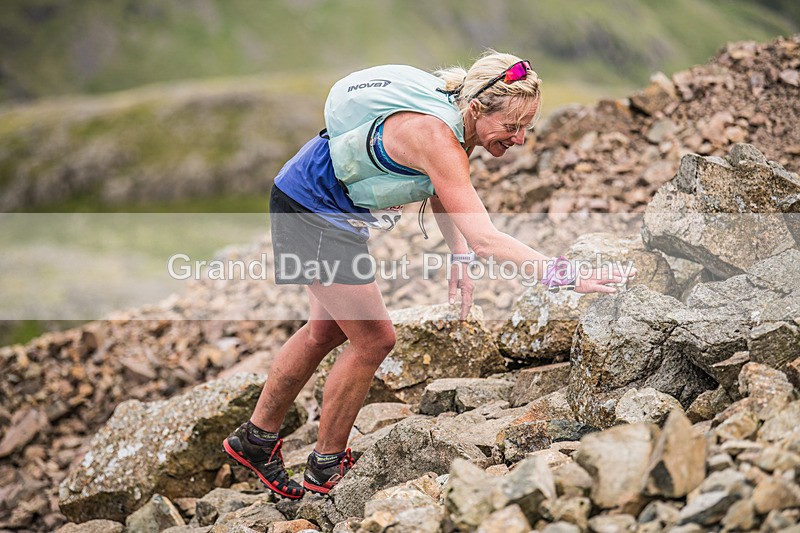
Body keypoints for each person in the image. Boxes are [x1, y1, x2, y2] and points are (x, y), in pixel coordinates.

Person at [222, 51, 629, 499]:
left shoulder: (457, 115)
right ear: (478, 108)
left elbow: (442, 187)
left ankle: (255, 440)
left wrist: (456, 256)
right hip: (311, 210)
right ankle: (326, 467)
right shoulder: (436, 135)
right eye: (512, 127)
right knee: (374, 340)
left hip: (314, 198)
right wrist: (565, 275)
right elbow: (487, 238)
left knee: (324, 332)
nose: (521, 139)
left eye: (527, 126)